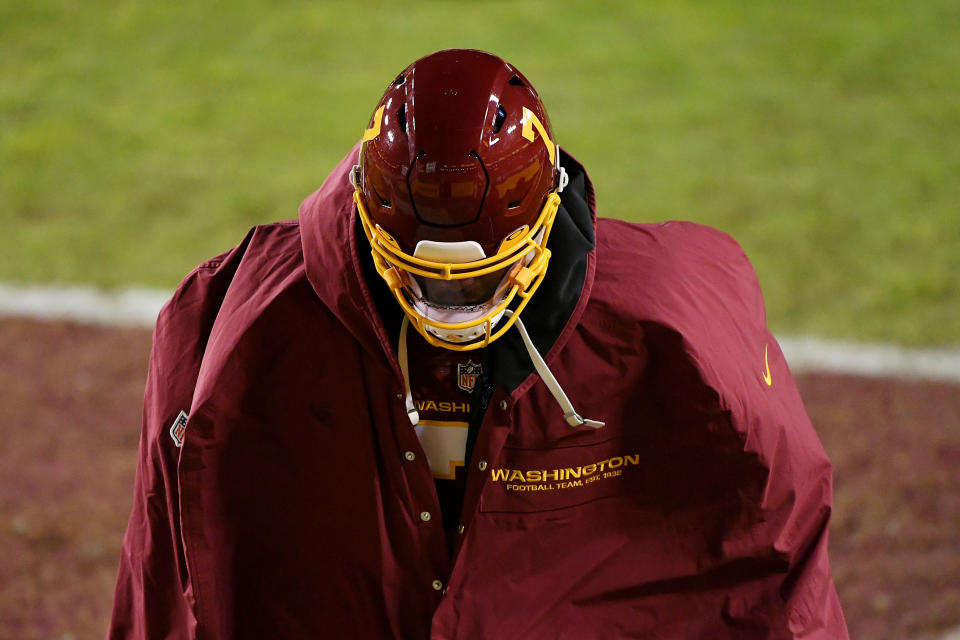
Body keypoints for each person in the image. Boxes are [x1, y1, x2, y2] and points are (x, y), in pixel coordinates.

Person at [108, 49, 848, 639]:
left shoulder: (675, 331)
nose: (450, 308)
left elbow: (782, 531)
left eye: (478, 281)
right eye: (422, 279)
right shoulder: (244, 328)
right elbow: (170, 558)